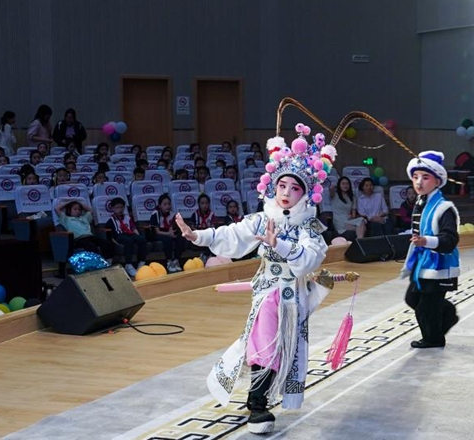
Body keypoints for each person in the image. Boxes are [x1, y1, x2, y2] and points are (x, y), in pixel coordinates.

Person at [175, 124, 340, 434]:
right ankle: (257, 406)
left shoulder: (311, 228)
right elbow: (233, 234)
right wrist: (197, 235)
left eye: (295, 188)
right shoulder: (264, 218)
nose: (287, 193)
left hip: (294, 298)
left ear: (305, 194)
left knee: (282, 350)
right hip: (267, 294)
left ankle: (260, 402)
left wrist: (279, 244)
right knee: (264, 345)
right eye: (282, 187)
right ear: (273, 188)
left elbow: (311, 259)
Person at [401, 151, 461, 349]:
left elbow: (450, 240)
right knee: (413, 298)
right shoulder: (422, 202)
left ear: (438, 180)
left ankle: (433, 339)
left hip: (438, 264)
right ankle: (447, 314)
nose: (419, 182)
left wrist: (426, 241)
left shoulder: (444, 208)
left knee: (425, 309)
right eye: (416, 177)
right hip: (422, 263)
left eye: (425, 177)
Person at [106, 197, 147, 277]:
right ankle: (128, 264)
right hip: (119, 236)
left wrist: (138, 237)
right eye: (117, 207)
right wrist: (116, 243)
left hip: (130, 234)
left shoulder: (127, 217)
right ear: (113, 208)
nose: (120, 209)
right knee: (129, 241)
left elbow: (133, 228)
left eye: (121, 207)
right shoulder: (111, 220)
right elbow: (111, 236)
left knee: (141, 239)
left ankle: (141, 262)